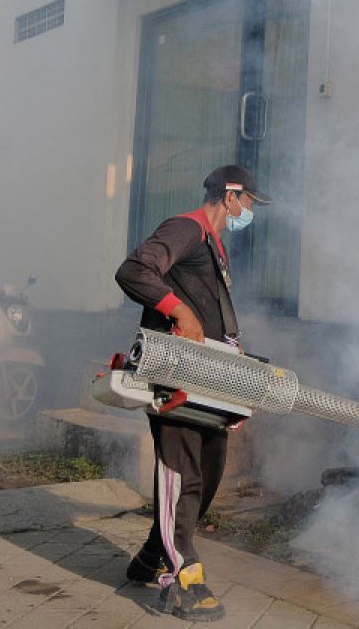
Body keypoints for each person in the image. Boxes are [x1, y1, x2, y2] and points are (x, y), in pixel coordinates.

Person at [115, 164, 270, 622]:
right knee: (182, 475)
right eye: (248, 204)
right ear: (230, 195)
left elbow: (216, 323)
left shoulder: (214, 246)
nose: (249, 213)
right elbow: (133, 270)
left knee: (210, 468)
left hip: (208, 380)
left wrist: (237, 386)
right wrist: (178, 310)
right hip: (175, 376)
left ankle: (152, 554)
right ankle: (185, 579)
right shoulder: (185, 228)